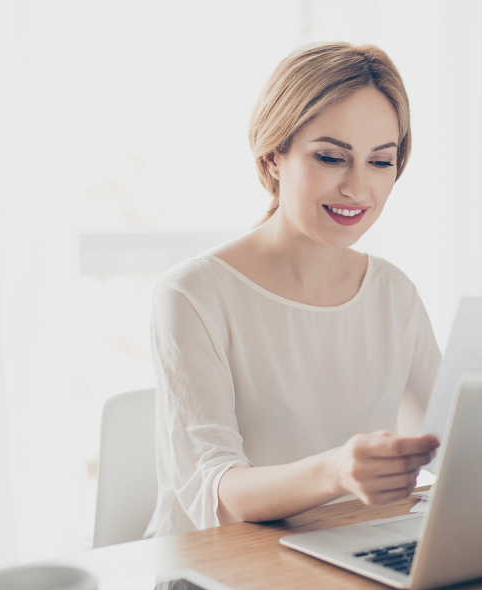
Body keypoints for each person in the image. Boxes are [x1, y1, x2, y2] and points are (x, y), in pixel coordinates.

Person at [145, 42, 441, 537]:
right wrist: (335, 471)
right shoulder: (193, 295)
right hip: (217, 571)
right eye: (330, 157)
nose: (358, 189)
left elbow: (450, 436)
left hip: (343, 551)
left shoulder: (393, 291)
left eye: (380, 162)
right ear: (273, 155)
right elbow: (217, 495)